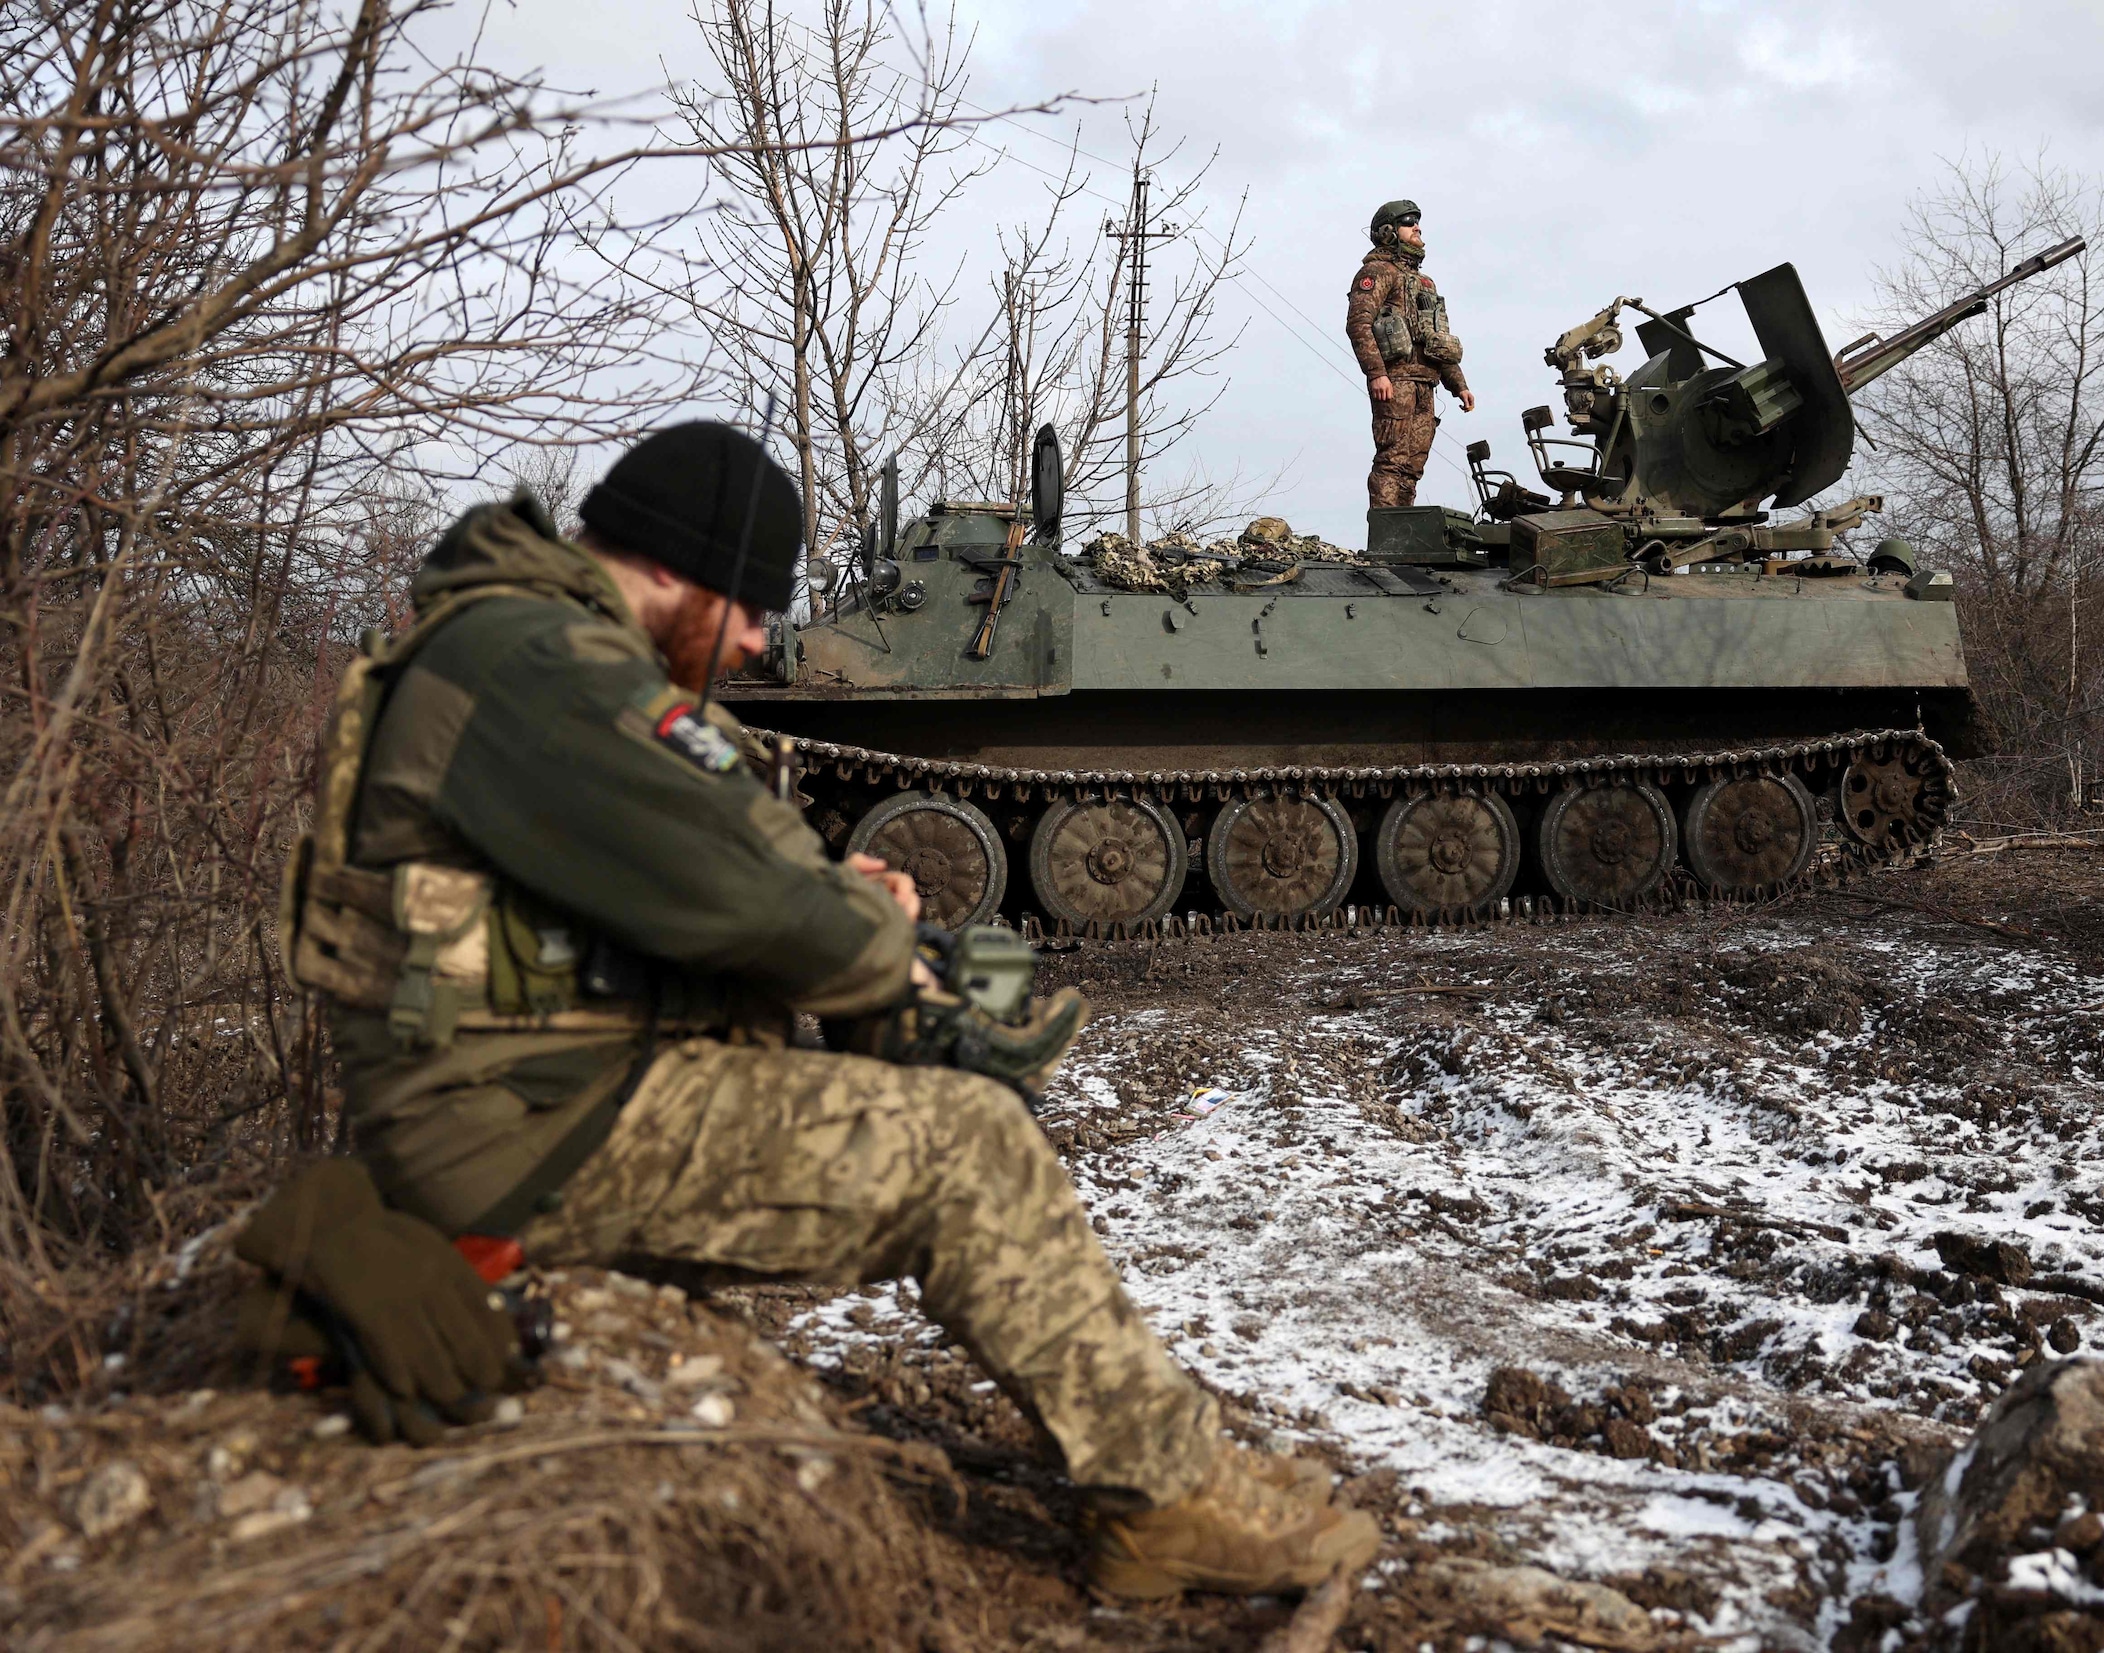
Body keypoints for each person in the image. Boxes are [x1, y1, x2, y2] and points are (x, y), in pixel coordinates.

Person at [262, 420, 1378, 1598]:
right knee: (971, 1147)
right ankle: (1166, 1502)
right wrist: (885, 955)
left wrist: (828, 899)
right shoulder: (539, 663)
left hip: (525, 1099)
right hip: (521, 1132)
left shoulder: (510, 648)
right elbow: (739, 896)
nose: (750, 639)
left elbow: (657, 877)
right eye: (746, 604)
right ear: (675, 566)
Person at [1345, 200, 1477, 509]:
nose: (1417, 227)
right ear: (1388, 232)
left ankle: (1404, 537)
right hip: (1396, 382)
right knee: (1392, 460)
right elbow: (1359, 324)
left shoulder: (1424, 283)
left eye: (1417, 222)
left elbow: (1437, 339)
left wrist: (1459, 385)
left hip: (1425, 384)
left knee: (1413, 466)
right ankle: (1385, 540)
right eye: (1408, 222)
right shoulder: (1377, 272)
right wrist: (1377, 373)